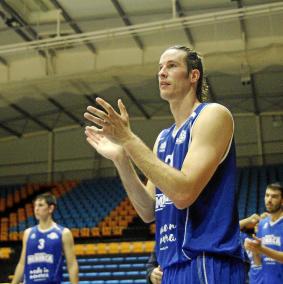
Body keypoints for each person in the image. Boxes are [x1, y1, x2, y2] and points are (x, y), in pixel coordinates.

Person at [84, 45, 246, 283]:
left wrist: (128, 138)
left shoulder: (212, 115)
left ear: (193, 75)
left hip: (207, 261)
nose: (161, 73)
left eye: (171, 66)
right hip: (171, 266)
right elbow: (149, 211)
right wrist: (121, 158)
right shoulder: (164, 138)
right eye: (160, 67)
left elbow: (183, 193)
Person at [11, 192, 79, 284]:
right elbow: (22, 263)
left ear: (50, 208)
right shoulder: (28, 233)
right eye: (35, 206)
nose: (36, 209)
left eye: (40, 205)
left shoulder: (63, 233)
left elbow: (72, 264)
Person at [245, 182, 283, 284]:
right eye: (267, 195)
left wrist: (261, 249)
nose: (269, 200)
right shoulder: (262, 224)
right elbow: (258, 261)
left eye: (274, 197)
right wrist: (254, 249)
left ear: (282, 201)